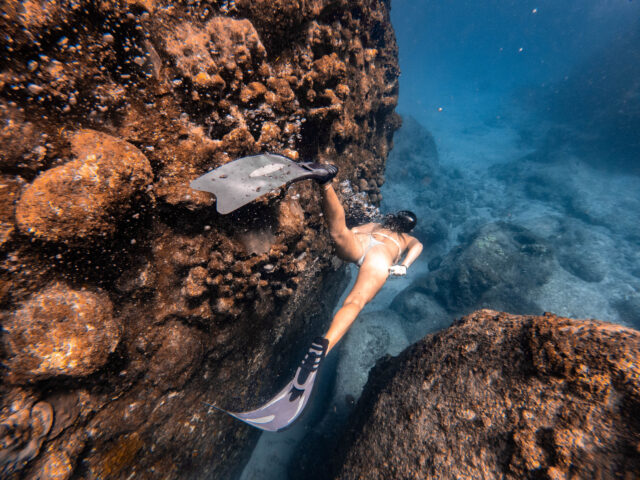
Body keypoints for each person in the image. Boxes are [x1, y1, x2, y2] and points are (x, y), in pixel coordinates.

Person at [216, 163, 423, 432]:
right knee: (355, 302)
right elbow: (418, 246)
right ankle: (324, 345)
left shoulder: (375, 223)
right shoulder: (405, 239)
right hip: (381, 257)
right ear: (408, 226)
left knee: (338, 231)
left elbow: (348, 231)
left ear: (393, 217)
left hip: (359, 242)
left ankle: (325, 182)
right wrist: (404, 264)